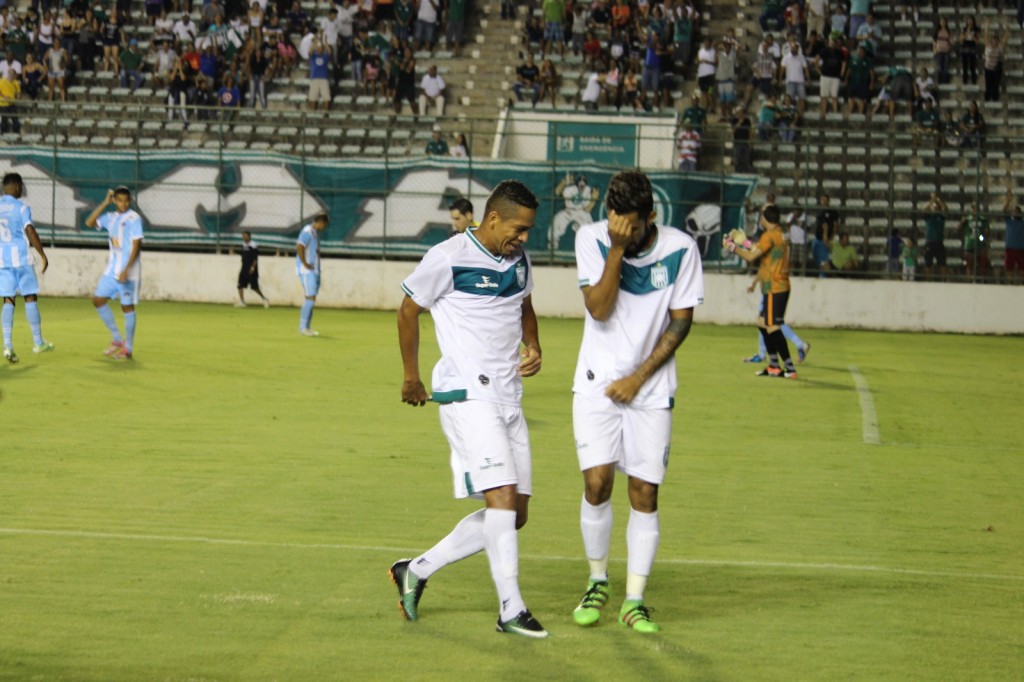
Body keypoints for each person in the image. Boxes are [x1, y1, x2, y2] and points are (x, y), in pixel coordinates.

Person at [389, 180, 549, 638]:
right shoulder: (448, 256)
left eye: (529, 231)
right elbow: (407, 311)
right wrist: (411, 376)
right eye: (519, 228)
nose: (524, 238)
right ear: (493, 218)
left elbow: (525, 305)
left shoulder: (519, 259)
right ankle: (511, 609)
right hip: (467, 394)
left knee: (514, 513)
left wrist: (533, 343)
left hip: (509, 395)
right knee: (500, 496)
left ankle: (416, 569)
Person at [570, 170, 702, 633]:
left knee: (644, 492)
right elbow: (600, 308)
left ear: (652, 215)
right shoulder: (592, 239)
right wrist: (618, 249)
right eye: (617, 222)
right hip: (595, 385)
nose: (625, 230)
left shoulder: (682, 248)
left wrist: (638, 378)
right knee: (597, 484)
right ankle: (597, 580)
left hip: (650, 391)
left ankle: (634, 599)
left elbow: (680, 322)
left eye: (634, 226)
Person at [726, 205, 798, 379]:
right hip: (777, 285)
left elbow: (752, 256)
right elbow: (761, 248)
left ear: (765, 220)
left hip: (775, 286)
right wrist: (744, 242)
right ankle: (773, 365)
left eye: (761, 218)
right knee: (762, 322)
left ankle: (789, 368)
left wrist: (732, 247)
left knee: (772, 326)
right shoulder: (782, 233)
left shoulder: (770, 236)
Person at [0, 172, 54, 363]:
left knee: (9, 300)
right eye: (21, 186)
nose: (22, 189)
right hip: (21, 260)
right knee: (30, 297)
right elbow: (29, 230)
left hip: (3, 262)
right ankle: (38, 342)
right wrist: (42, 254)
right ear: (16, 188)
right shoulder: (21, 207)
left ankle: (7, 345)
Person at [85, 186, 143, 361]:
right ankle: (117, 339)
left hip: (129, 271)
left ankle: (129, 349)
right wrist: (104, 203)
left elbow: (136, 246)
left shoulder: (134, 218)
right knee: (98, 300)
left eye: (126, 201)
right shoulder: (110, 218)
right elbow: (89, 222)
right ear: (114, 201)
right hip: (111, 270)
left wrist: (126, 269)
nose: (123, 204)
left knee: (127, 307)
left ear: (130, 201)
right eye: (119, 200)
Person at [295, 212, 328, 337]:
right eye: (324, 225)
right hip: (307, 271)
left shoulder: (314, 232)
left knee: (311, 299)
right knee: (310, 298)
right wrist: (304, 263)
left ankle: (307, 327)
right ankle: (303, 327)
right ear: (321, 222)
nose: (324, 227)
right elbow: (300, 246)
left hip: (314, 270)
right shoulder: (307, 231)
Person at [236, 231, 269, 308]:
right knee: (240, 285)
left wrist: (252, 267)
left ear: (249, 236)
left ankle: (264, 299)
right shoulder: (243, 245)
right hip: (244, 268)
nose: (244, 237)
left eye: (246, 236)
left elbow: (255, 258)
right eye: (243, 236)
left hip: (251, 269)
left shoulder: (253, 245)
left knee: (254, 287)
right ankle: (242, 301)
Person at [960, 203, 991, 281]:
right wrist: (962, 223)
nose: (974, 210)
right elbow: (959, 230)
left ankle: (984, 280)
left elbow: (987, 233)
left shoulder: (983, 220)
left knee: (983, 264)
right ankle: (969, 280)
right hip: (969, 243)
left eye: (976, 208)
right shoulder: (967, 219)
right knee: (969, 265)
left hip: (980, 242)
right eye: (973, 208)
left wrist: (981, 238)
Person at [1003, 187, 1024, 283]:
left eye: (1017, 212)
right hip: (1010, 248)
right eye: (1014, 211)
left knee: (1022, 268)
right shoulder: (1009, 221)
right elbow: (1004, 211)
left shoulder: (1022, 222)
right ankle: (1010, 283)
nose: (1015, 213)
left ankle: (1021, 284)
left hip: (1021, 248)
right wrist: (1009, 200)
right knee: (1009, 268)